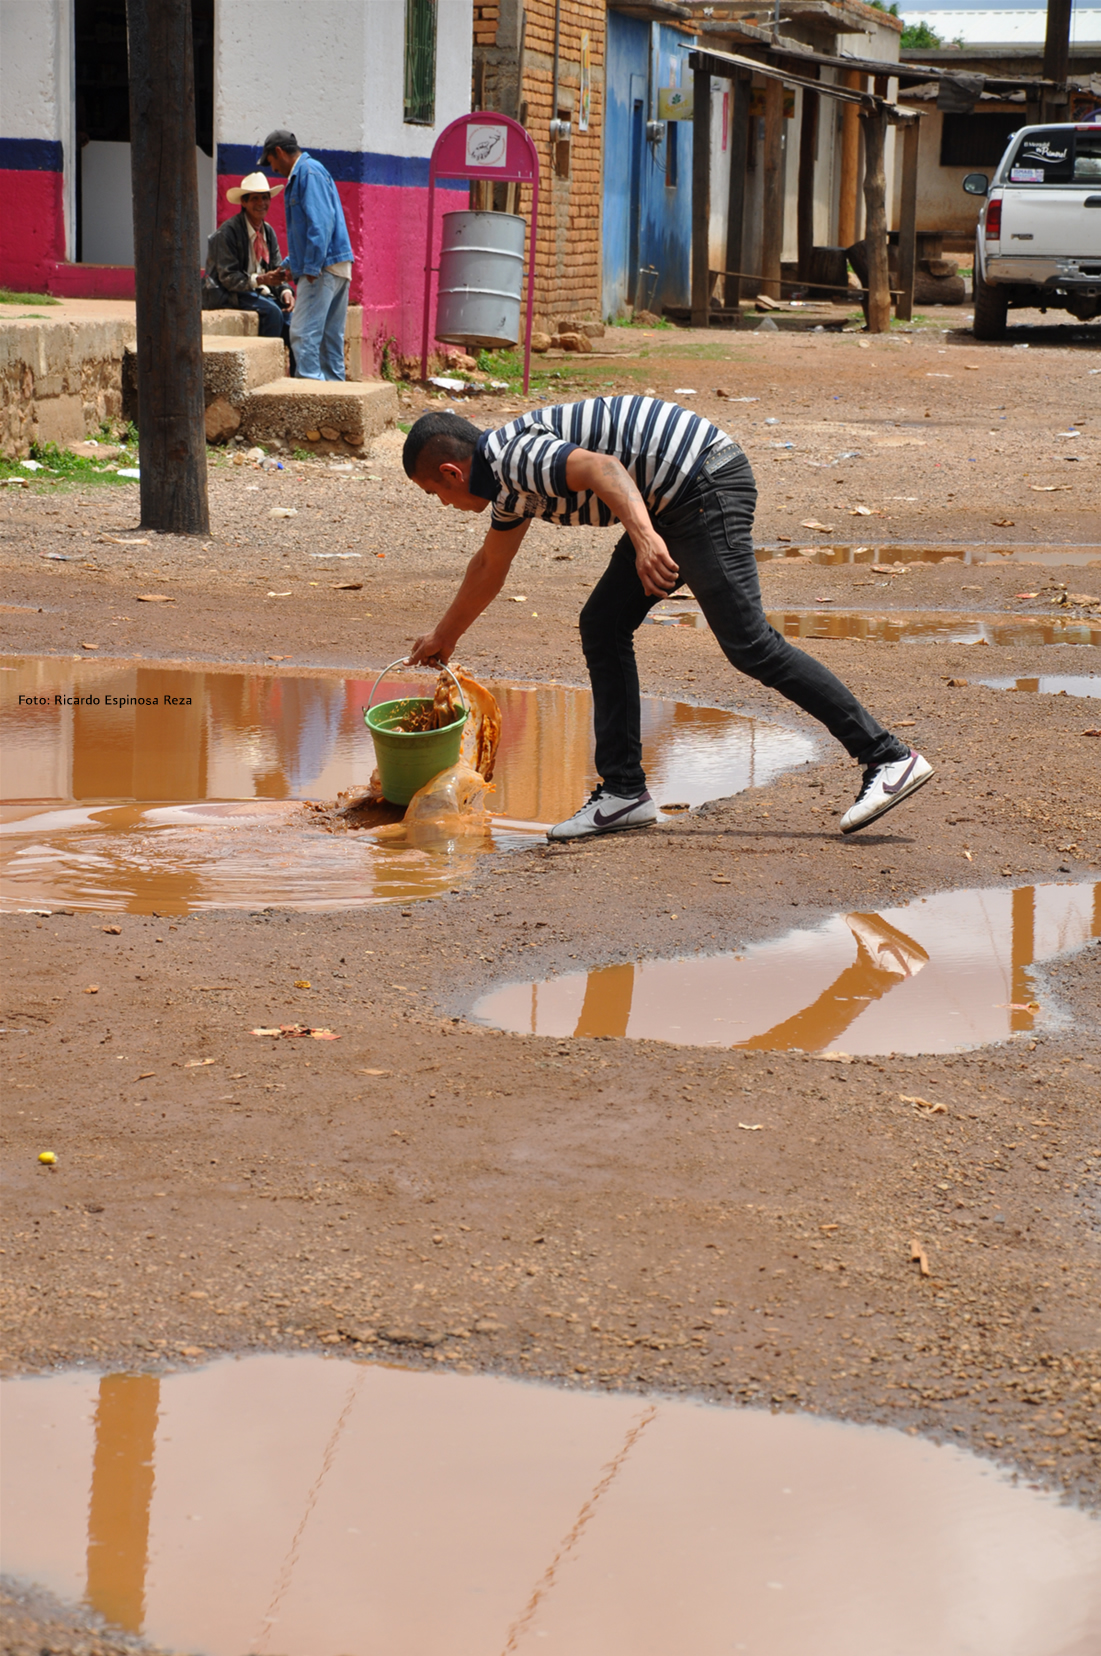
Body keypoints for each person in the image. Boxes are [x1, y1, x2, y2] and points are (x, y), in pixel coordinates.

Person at [402, 399, 934, 841]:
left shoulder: (515, 458)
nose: (443, 502)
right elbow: (490, 566)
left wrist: (645, 537)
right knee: (603, 625)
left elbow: (605, 470)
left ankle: (888, 756)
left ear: (452, 471)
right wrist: (443, 637)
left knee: (750, 644)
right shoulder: (508, 487)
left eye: (435, 493)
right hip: (671, 499)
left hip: (702, 484)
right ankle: (624, 792)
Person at [258, 129, 353, 381]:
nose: (274, 169)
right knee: (329, 340)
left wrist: (310, 268)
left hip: (321, 269)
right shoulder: (312, 171)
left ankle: (311, 390)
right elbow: (312, 232)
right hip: (336, 265)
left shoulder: (306, 173)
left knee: (302, 334)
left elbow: (320, 225)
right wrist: (289, 267)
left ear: (279, 152)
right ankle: (335, 398)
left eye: (271, 162)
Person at [202, 173, 295, 356]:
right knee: (273, 314)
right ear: (243, 203)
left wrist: (285, 291)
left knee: (292, 321)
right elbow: (228, 278)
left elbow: (276, 268)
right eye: (255, 199)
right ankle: (264, 363)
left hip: (256, 291)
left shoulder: (268, 232)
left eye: (265, 198)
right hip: (227, 293)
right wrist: (261, 279)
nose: (261, 203)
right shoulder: (227, 233)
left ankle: (297, 378)